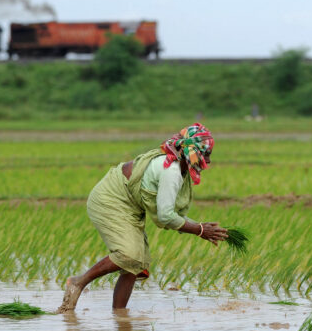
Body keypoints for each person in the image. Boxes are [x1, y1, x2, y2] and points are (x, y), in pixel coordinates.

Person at [57, 123, 228, 312]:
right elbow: (165, 216)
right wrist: (200, 230)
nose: (209, 161)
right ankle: (79, 281)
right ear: (194, 152)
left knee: (135, 264)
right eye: (206, 155)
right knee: (129, 255)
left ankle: (120, 316)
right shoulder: (171, 171)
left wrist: (200, 227)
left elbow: (171, 213)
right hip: (112, 200)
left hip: (130, 204)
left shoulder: (180, 167)